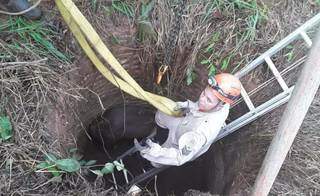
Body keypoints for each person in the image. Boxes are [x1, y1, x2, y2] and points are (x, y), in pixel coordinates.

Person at [134, 73, 242, 167]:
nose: (202, 100)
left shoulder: (200, 133)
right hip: (187, 122)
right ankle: (159, 139)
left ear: (220, 105)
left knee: (156, 160)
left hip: (181, 142)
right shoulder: (223, 103)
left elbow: (179, 157)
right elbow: (201, 104)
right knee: (162, 114)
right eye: (204, 93)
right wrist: (187, 105)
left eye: (208, 100)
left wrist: (156, 152)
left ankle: (149, 164)